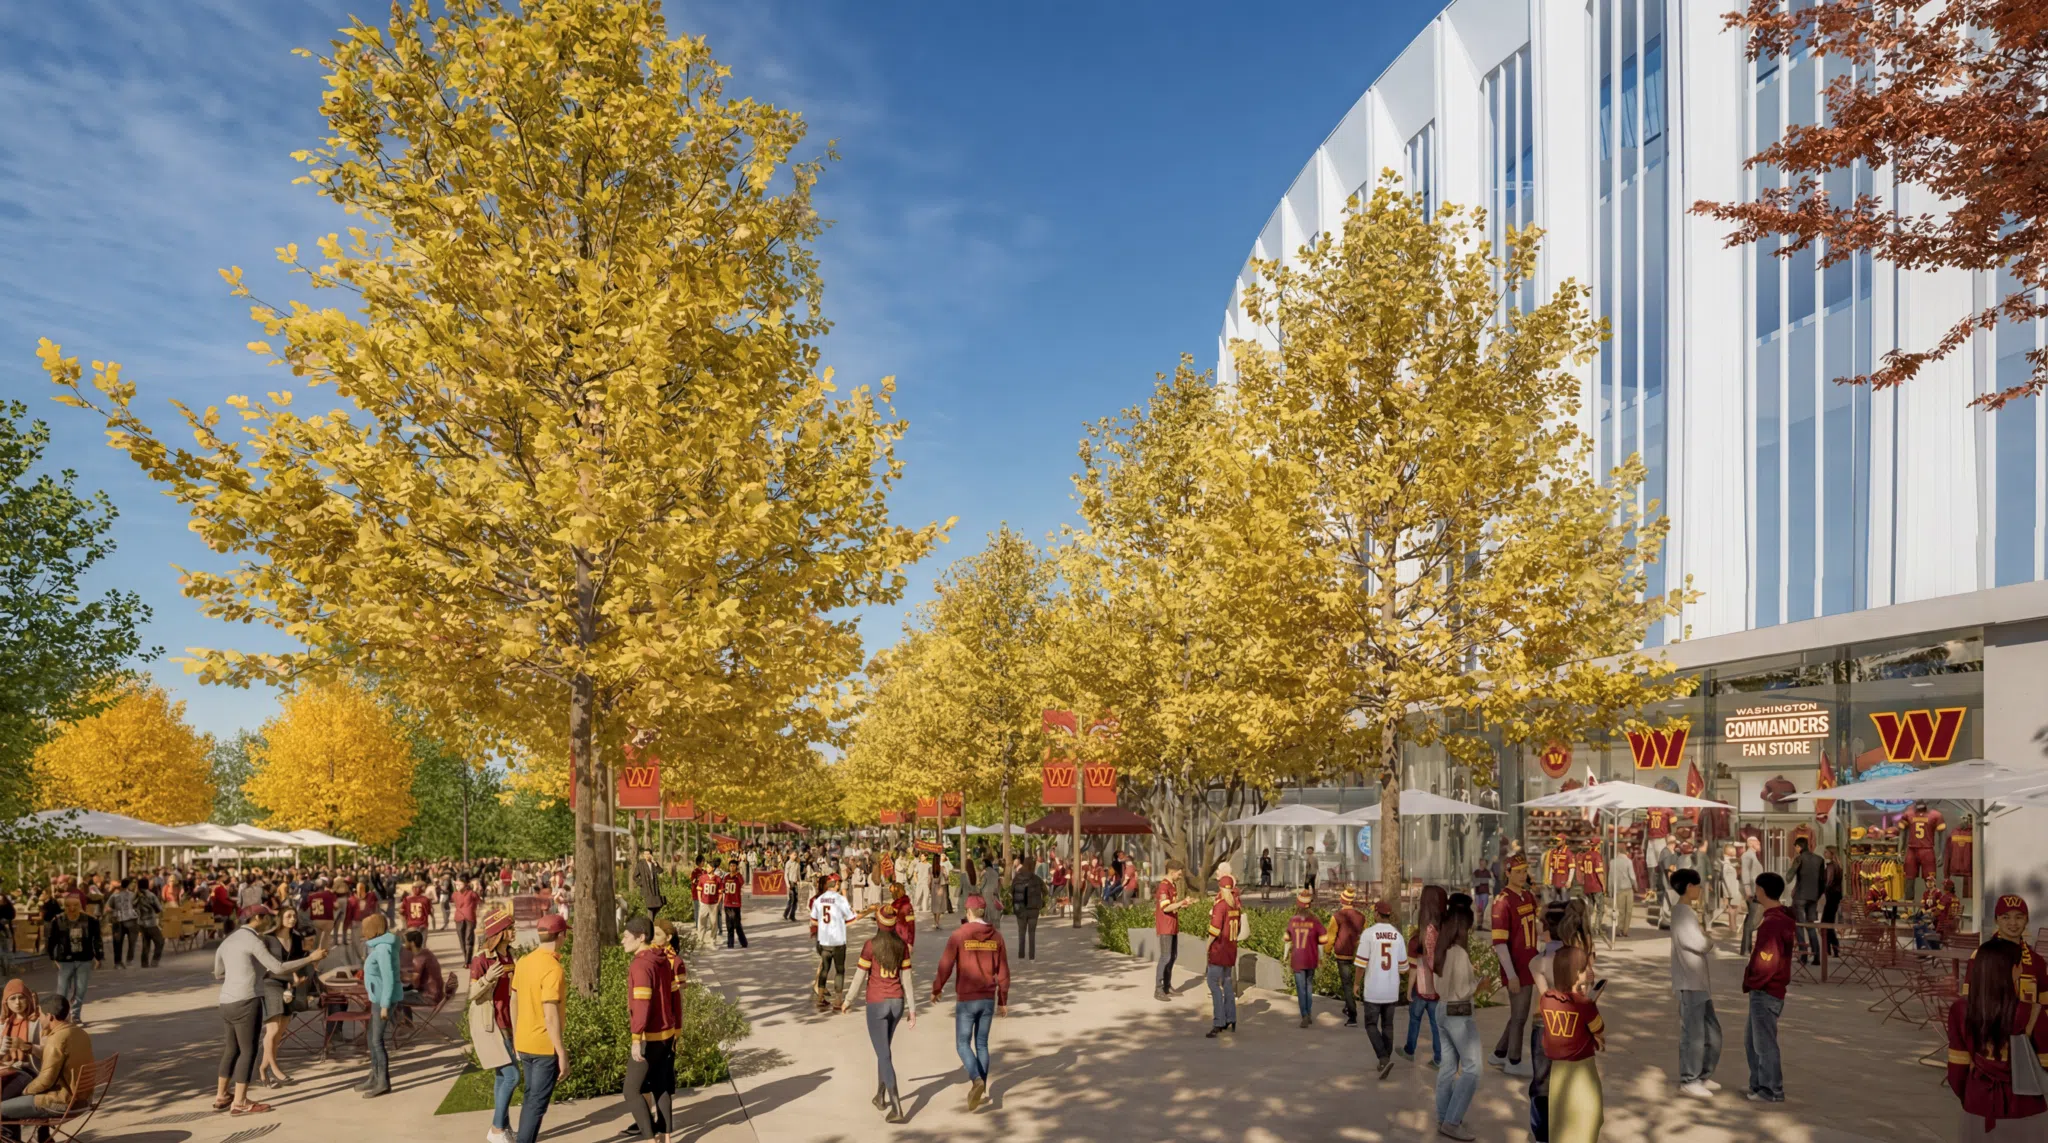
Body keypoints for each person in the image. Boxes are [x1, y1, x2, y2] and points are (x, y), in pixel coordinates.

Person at [213, 905, 325, 1115]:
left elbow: (218, 972)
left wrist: (239, 969)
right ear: (257, 918)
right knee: (248, 1051)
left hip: (226, 1001)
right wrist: (311, 958)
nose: (269, 922)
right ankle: (240, 1102)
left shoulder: (228, 940)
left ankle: (221, 1096)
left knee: (231, 1049)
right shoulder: (254, 940)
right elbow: (278, 967)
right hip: (247, 999)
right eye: (267, 918)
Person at [1946, 937, 2048, 1139]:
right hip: (2026, 1108)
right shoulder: (2033, 1013)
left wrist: (1970, 1097)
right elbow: (2045, 1065)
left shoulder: (1960, 1010)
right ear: (2016, 969)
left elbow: (1957, 1072)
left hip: (1978, 1105)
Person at [931, 894, 1009, 1112]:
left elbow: (945, 965)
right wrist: (1003, 999)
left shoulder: (959, 935)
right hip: (987, 998)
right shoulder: (997, 937)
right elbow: (1003, 971)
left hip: (966, 998)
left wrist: (937, 989)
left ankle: (976, 1079)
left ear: (968, 913)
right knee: (982, 1044)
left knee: (962, 1044)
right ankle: (981, 1086)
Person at [842, 905, 916, 1124]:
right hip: (897, 1003)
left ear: (878, 923)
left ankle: (896, 1107)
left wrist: (847, 1001)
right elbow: (907, 980)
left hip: (876, 1004)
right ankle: (880, 1096)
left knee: (883, 1054)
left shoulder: (870, 946)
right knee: (884, 1051)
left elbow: (858, 977)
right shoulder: (901, 946)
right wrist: (912, 1010)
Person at [512, 913, 570, 1143]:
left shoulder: (524, 962)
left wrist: (517, 1036)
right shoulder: (553, 969)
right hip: (544, 1048)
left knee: (530, 1099)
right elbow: (550, 1014)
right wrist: (562, 1052)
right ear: (561, 936)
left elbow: (513, 1001)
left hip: (524, 1042)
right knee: (537, 1104)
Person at [622, 916, 679, 1143]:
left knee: (631, 1090)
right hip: (666, 1034)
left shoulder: (640, 964)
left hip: (648, 1037)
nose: (622, 941)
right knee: (660, 1086)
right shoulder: (662, 959)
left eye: (627, 937)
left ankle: (649, 1139)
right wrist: (677, 1029)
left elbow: (641, 1003)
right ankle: (665, 1138)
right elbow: (675, 997)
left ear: (641, 937)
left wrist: (636, 1037)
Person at [1666, 868, 1722, 1098]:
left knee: (1711, 1032)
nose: (1699, 890)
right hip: (1689, 981)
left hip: (1698, 981)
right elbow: (1697, 943)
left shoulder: (1686, 911)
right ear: (1689, 886)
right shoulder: (1682, 912)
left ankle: (1701, 1075)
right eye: (1697, 885)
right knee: (1694, 1033)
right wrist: (1709, 941)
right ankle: (1690, 1079)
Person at [1542, 943, 1605, 1143]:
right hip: (1582, 1068)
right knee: (1591, 1117)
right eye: (1584, 968)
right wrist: (1588, 999)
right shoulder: (1583, 1003)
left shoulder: (1546, 999)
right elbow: (1598, 1027)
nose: (1587, 971)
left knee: (1561, 1121)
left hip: (1557, 1070)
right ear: (1575, 973)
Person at [468, 909, 520, 1143]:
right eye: (509, 928)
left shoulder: (512, 956)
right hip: (491, 1024)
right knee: (512, 1076)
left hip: (508, 1021)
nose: (513, 931)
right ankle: (497, 1128)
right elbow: (471, 994)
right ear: (498, 933)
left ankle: (504, 1127)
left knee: (502, 1076)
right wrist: (488, 977)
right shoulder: (481, 960)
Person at [1742, 870, 1794, 1103]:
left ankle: (1771, 1089)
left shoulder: (1773, 922)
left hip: (1766, 990)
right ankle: (1759, 1084)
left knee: (1764, 1043)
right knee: (1754, 1041)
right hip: (1769, 989)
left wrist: (1753, 981)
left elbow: (1767, 961)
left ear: (1761, 890)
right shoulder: (1779, 917)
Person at [1433, 897, 1481, 1141]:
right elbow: (1463, 990)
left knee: (1448, 1068)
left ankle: (1444, 1117)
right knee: (1473, 1068)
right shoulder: (1459, 953)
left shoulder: (1441, 949)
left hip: (1441, 1009)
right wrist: (1479, 984)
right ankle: (1452, 1122)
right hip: (1458, 1012)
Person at [0, 994, 89, 1126]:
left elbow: (46, 1080)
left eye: (41, 1014)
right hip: (83, 1098)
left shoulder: (56, 1040)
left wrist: (24, 1091)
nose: (39, 1018)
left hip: (62, 1102)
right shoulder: (79, 1032)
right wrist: (28, 1047)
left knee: (3, 1107)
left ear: (49, 1017)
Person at [1490, 853, 1539, 1077]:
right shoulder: (1502, 902)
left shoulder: (1528, 896)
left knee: (1518, 1014)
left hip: (1530, 964)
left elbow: (1535, 927)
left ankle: (1499, 1053)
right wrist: (1511, 975)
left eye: (1524, 870)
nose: (1522, 875)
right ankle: (1514, 1060)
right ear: (1507, 873)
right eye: (1517, 871)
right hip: (1517, 967)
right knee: (1520, 1016)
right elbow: (1499, 944)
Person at [1354, 899, 1406, 1080]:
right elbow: (1404, 967)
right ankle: (1386, 1059)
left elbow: (1361, 964)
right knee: (1388, 1025)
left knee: (1370, 1024)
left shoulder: (1369, 934)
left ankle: (1383, 1058)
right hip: (1391, 989)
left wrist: (1356, 984)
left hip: (1373, 989)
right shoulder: (1398, 936)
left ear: (1376, 914)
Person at [360, 912, 402, 1098]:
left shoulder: (383, 948)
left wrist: (384, 1005)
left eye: (365, 928)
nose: (362, 932)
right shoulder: (378, 946)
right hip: (377, 998)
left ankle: (382, 1082)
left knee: (377, 1041)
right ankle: (374, 1075)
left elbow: (388, 977)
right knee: (371, 1037)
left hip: (383, 1000)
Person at [1404, 885, 1445, 1068]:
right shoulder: (1444, 932)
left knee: (1414, 1019)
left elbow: (1413, 967)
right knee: (1436, 1026)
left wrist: (1408, 990)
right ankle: (1439, 1058)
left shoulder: (1419, 936)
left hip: (1421, 988)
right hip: (1439, 989)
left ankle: (1410, 1050)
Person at [43, 894, 100, 1026]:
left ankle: (75, 1015)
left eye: (75, 905)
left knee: (81, 989)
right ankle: (60, 1017)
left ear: (80, 906)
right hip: (65, 960)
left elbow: (96, 939)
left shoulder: (90, 921)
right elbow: (52, 940)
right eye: (68, 905)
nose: (72, 908)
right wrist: (53, 957)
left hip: (84, 959)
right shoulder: (58, 921)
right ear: (64, 906)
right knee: (62, 990)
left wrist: (98, 956)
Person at [1283, 889, 1325, 1028]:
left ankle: (1304, 1014)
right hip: (1311, 959)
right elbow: (1324, 939)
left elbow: (1286, 939)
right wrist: (1321, 957)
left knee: (1301, 988)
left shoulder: (1293, 921)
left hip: (1297, 959)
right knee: (1308, 986)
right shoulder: (1315, 921)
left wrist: (1284, 956)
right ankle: (1309, 1013)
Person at [1324, 889, 1366, 1028]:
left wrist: (1327, 952)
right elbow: (1364, 935)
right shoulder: (1361, 917)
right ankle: (1348, 1006)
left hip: (1342, 954)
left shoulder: (1337, 916)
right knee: (1352, 981)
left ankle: (1352, 1015)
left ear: (1342, 901)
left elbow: (1331, 937)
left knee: (1347, 984)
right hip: (1357, 953)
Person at [811, 874, 853, 1008]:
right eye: (838, 883)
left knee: (825, 969)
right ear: (835, 884)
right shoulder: (840, 899)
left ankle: (820, 997)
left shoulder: (819, 900)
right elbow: (851, 919)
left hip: (824, 941)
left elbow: (813, 920)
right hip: (838, 941)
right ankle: (838, 1000)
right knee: (839, 970)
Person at [1153, 860, 1189, 1001]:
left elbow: (1172, 905)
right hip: (1166, 926)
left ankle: (1167, 986)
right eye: (1179, 874)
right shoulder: (1163, 886)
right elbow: (1165, 907)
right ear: (1172, 872)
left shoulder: (1172, 885)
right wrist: (1181, 902)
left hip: (1172, 925)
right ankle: (1158, 989)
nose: (1180, 877)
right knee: (1165, 956)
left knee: (1173, 956)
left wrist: (1181, 905)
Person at [1788, 837, 1825, 965]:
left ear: (1799, 847)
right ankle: (1816, 956)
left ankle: (1803, 956)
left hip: (1800, 897)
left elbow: (1788, 877)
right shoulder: (1820, 860)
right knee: (1811, 927)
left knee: (1799, 926)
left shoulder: (1799, 859)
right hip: (1813, 898)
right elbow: (1822, 882)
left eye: (1796, 847)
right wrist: (1817, 895)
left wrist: (1793, 866)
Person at [1009, 855, 1045, 960]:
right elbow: (1046, 892)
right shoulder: (1037, 879)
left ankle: (1021, 955)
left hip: (1020, 908)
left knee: (1021, 932)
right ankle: (1032, 956)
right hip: (1034, 909)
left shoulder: (1017, 878)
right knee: (1032, 933)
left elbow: (1011, 891)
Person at [1738, 836, 1765, 952]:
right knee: (1753, 920)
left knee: (1751, 919)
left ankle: (1746, 948)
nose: (1759, 844)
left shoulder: (1752, 856)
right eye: (1757, 842)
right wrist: (1748, 891)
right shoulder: (1747, 856)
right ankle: (1746, 949)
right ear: (1751, 843)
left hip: (1755, 891)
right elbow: (1745, 873)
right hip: (1753, 892)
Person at [136, 880, 164, 968]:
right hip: (151, 923)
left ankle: (144, 963)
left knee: (146, 942)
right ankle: (155, 961)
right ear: (147, 885)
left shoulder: (135, 896)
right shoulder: (151, 895)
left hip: (140, 923)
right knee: (160, 941)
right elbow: (159, 908)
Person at [452, 879, 481, 964]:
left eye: (460, 884)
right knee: (462, 940)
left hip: (470, 918)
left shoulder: (472, 894)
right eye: (456, 885)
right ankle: (466, 958)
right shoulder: (454, 894)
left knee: (469, 939)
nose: (458, 887)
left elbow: (479, 902)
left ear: (465, 884)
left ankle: (468, 961)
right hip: (458, 918)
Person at [720, 859, 748, 949]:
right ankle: (730, 943)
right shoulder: (726, 877)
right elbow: (723, 888)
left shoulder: (738, 877)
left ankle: (743, 942)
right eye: (731, 866)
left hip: (736, 904)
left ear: (736, 867)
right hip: (727, 904)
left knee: (737, 924)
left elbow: (742, 883)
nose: (732, 867)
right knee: (729, 925)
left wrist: (738, 874)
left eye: (734, 866)